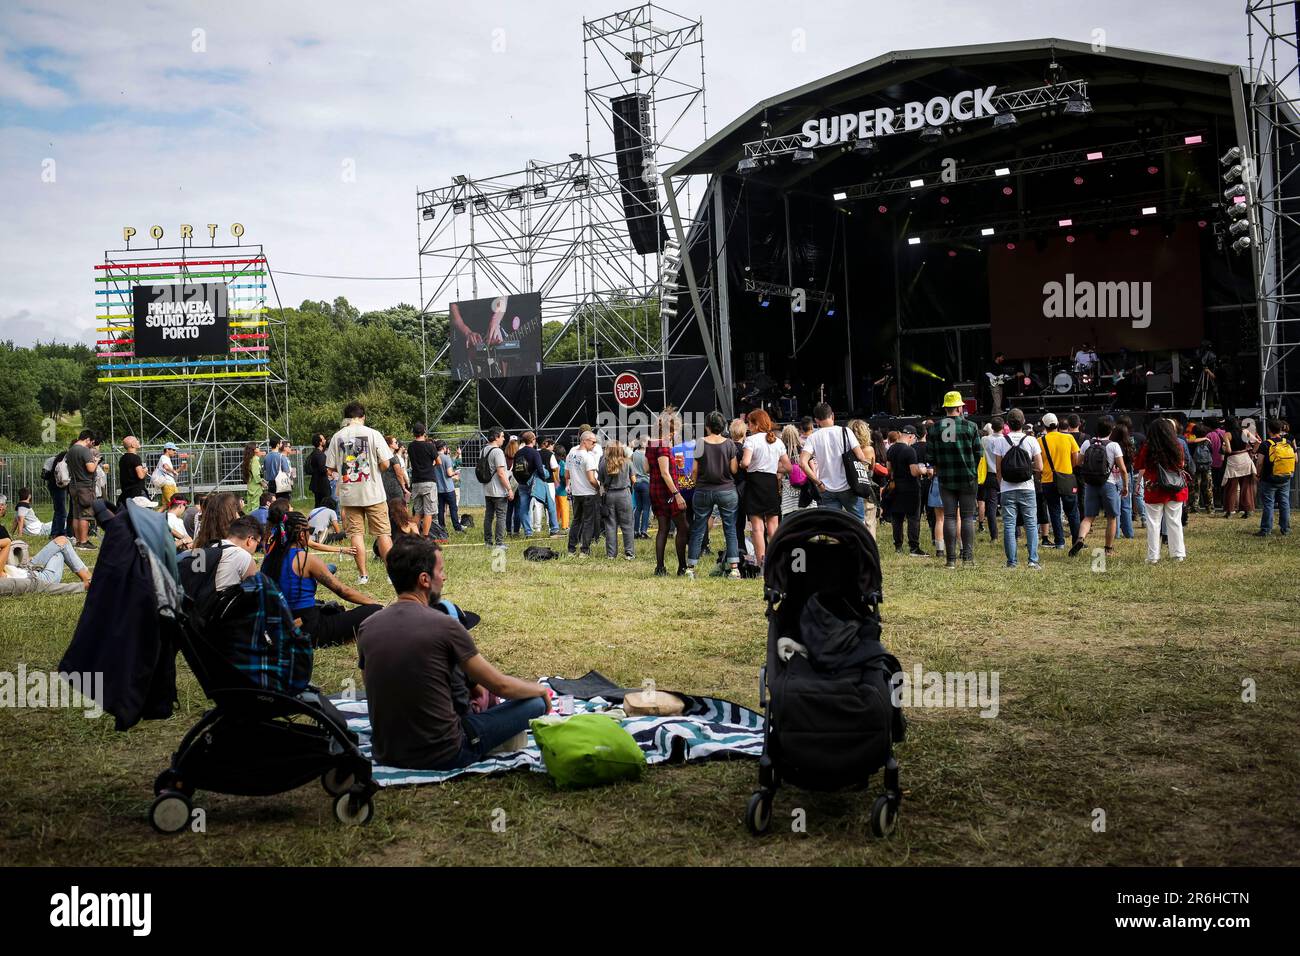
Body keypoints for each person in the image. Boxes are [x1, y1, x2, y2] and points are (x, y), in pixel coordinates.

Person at [356, 535, 551, 770]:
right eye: (441, 570)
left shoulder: (368, 626)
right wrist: (540, 690)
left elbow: (372, 690)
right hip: (446, 752)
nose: (445, 577)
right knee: (534, 703)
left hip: (386, 751)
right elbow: (501, 686)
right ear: (425, 579)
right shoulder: (445, 625)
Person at [262, 509, 382, 647]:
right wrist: (374, 603)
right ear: (302, 535)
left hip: (279, 624)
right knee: (374, 611)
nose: (310, 534)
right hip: (308, 629)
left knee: (329, 608)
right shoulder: (306, 559)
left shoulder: (268, 559)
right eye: (309, 531)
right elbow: (343, 591)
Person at [929, 391, 983, 568]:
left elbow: (930, 457)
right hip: (968, 478)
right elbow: (978, 453)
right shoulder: (971, 426)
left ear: (945, 408)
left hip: (945, 478)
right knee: (967, 517)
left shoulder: (935, 428)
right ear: (960, 408)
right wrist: (971, 468)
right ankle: (967, 558)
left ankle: (950, 560)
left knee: (950, 517)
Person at [686, 411, 740, 579]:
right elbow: (734, 469)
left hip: (703, 490)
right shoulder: (730, 444)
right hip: (727, 490)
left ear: (707, 427)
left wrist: (694, 481)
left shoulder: (700, 443)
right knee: (730, 528)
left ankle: (691, 568)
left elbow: (694, 470)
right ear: (723, 426)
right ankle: (734, 568)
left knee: (698, 528)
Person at [991, 408, 1044, 570]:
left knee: (1009, 525)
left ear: (1008, 423)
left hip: (1007, 488)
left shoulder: (1000, 441)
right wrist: (1027, 467)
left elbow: (998, 469)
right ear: (1023, 422)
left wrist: (1002, 484)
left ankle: (1011, 562)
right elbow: (1040, 466)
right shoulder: (1031, 441)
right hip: (1027, 487)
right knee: (1030, 524)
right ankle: (1033, 561)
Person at [1132, 418, 1189, 563]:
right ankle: (1178, 554)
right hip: (1174, 488)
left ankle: (1153, 556)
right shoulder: (1177, 445)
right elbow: (1182, 463)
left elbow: (1138, 464)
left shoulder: (1148, 446)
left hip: (1154, 488)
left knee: (1153, 523)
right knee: (1174, 521)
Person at [1071, 415, 1127, 559]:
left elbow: (1078, 462)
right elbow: (1122, 469)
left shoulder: (1087, 443)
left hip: (1090, 483)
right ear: (1111, 429)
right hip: (1108, 483)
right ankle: (1108, 549)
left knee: (1088, 517)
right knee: (1112, 517)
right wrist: (1125, 486)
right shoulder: (1113, 445)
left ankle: (1080, 539)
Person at [800, 403, 869, 518]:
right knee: (858, 522)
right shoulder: (846, 431)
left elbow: (802, 463)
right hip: (848, 485)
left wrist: (818, 482)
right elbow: (860, 456)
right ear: (832, 415)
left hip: (826, 488)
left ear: (816, 420)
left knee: (833, 526)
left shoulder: (812, 438)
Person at [741, 409, 791, 567]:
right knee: (773, 526)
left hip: (754, 483)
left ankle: (762, 564)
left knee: (757, 528)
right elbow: (788, 467)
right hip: (771, 483)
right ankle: (776, 562)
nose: (748, 426)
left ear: (755, 424)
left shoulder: (751, 441)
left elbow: (746, 463)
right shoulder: (777, 441)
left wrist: (741, 464)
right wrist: (774, 469)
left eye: (749, 423)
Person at [646, 410, 689, 576]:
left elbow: (646, 468)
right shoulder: (663, 446)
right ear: (670, 431)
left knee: (663, 528)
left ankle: (660, 567)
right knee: (682, 527)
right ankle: (682, 567)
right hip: (667, 492)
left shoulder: (651, 445)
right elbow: (665, 473)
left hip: (655, 490)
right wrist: (677, 494)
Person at [1038, 412, 1081, 550]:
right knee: (1072, 511)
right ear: (1057, 424)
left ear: (1044, 426)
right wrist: (1068, 467)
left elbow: (1038, 463)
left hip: (1048, 480)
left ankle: (1059, 541)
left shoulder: (1040, 441)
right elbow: (1076, 459)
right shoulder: (1068, 438)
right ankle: (1077, 539)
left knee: (1054, 511)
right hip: (1067, 477)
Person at [885, 426, 925, 556]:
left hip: (896, 486)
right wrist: (923, 470)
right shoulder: (910, 451)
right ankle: (914, 547)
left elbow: (889, 469)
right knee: (913, 518)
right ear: (911, 436)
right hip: (911, 488)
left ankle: (898, 547)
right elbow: (914, 472)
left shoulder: (891, 449)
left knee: (897, 518)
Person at [1, 533, 92, 589]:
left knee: (61, 542)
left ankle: (90, 579)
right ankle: (89, 580)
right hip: (37, 579)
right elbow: (7, 542)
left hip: (24, 568)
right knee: (61, 548)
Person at [1255, 419, 1295, 537]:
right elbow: (1295, 458)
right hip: (1285, 477)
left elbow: (1260, 463)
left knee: (1268, 503)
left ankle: (1266, 530)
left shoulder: (1266, 444)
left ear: (1269, 430)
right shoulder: (1287, 441)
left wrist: (1258, 474)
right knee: (1284, 503)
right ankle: (1285, 529)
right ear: (1281, 429)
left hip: (1269, 478)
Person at [565, 431, 601, 557]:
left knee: (576, 520)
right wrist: (598, 488)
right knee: (588, 522)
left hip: (576, 493)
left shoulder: (570, 455)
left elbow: (567, 475)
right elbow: (591, 479)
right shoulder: (588, 457)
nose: (594, 444)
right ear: (584, 441)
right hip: (589, 493)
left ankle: (571, 549)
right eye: (593, 441)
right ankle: (584, 550)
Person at [599, 439, 636, 560]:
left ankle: (611, 554)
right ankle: (629, 553)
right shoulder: (627, 462)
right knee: (627, 525)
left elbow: (602, 482)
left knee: (610, 525)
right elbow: (634, 480)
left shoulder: (603, 463)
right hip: (624, 494)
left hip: (610, 495)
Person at [66, 430, 101, 549]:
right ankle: (84, 541)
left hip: (73, 485)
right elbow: (90, 468)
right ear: (87, 439)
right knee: (85, 514)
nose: (92, 444)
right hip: (85, 486)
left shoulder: (71, 450)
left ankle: (77, 540)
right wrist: (96, 461)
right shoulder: (84, 450)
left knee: (76, 514)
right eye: (91, 441)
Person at [479, 427, 511, 548]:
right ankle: (499, 543)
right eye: (502, 436)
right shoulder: (498, 452)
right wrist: (509, 488)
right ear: (496, 437)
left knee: (489, 516)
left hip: (487, 489)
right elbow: (501, 473)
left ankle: (488, 542)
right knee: (501, 516)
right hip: (499, 490)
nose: (503, 439)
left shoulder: (483, 450)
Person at [511, 432, 547, 539]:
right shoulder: (534, 453)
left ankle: (528, 531)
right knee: (543, 503)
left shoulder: (518, 453)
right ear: (532, 440)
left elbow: (514, 470)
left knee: (523, 508)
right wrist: (544, 480)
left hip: (522, 483)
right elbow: (540, 469)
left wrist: (519, 480)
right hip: (534, 483)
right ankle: (552, 527)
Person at [1221, 416, 1257, 519]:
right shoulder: (1245, 431)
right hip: (1245, 459)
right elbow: (1257, 442)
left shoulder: (1227, 434)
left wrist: (1223, 449)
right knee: (1246, 487)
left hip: (1234, 461)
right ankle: (1247, 510)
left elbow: (1228, 450)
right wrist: (1252, 451)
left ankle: (1230, 511)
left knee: (1230, 488)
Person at [407, 423, 439, 536]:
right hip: (429, 481)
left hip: (416, 482)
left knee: (418, 512)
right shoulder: (429, 446)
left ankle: (414, 536)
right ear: (424, 432)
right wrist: (431, 466)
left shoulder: (410, 447)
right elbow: (438, 461)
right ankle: (425, 536)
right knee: (428, 512)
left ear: (413, 433)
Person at [847, 419, 878, 538]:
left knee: (855, 521)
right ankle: (871, 548)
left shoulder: (847, 450)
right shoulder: (869, 450)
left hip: (852, 487)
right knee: (870, 520)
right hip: (867, 487)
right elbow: (872, 469)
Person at [433, 439, 464, 534]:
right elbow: (449, 473)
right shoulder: (446, 458)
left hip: (439, 489)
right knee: (453, 509)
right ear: (443, 448)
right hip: (449, 488)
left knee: (441, 510)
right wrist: (456, 473)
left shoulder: (434, 458)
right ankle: (457, 528)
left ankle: (441, 528)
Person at [533, 437, 561, 537]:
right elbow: (554, 467)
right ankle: (551, 526)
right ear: (545, 443)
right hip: (549, 482)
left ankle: (537, 527)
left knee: (537, 505)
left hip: (537, 482)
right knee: (550, 505)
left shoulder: (534, 453)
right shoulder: (550, 454)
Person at [779, 424, 807, 519]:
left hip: (788, 489)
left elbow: (779, 475)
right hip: (804, 487)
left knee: (789, 519)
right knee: (807, 516)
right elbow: (812, 467)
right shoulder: (804, 448)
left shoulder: (782, 451)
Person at [117, 436, 149, 508]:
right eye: (136, 441)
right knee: (147, 512)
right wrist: (145, 470)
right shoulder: (135, 458)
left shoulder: (122, 458)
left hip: (126, 492)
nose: (138, 441)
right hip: (137, 491)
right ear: (132, 445)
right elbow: (140, 475)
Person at [151, 440, 183, 511]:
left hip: (169, 484)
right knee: (175, 504)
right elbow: (166, 467)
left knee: (165, 506)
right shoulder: (164, 457)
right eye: (174, 450)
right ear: (167, 450)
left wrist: (180, 469)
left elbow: (170, 473)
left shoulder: (166, 458)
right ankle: (172, 520)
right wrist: (174, 471)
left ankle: (156, 518)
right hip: (169, 485)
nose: (175, 452)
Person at [631, 439, 652, 540]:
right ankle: (643, 531)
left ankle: (635, 531)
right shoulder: (647, 454)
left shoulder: (634, 454)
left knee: (638, 508)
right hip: (646, 482)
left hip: (636, 482)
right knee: (646, 508)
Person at [381, 435, 410, 503]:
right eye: (395, 442)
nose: (397, 444)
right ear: (390, 445)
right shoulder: (393, 457)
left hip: (384, 487)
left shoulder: (382, 457)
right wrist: (403, 487)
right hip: (395, 487)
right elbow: (399, 473)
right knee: (399, 509)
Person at [305, 433, 331, 507]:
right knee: (324, 504)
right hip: (321, 484)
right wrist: (331, 472)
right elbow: (323, 469)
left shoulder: (316, 453)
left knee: (319, 503)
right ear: (320, 442)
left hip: (318, 484)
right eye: (323, 439)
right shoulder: (319, 454)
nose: (325, 440)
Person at [241, 442, 267, 513]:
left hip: (250, 486)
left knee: (249, 507)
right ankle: (254, 522)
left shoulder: (249, 459)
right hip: (256, 487)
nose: (259, 448)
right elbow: (256, 475)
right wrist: (262, 483)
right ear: (254, 449)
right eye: (257, 447)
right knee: (256, 507)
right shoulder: (255, 459)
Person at [554, 444, 571, 531]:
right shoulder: (563, 464)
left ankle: (555, 524)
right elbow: (565, 476)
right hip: (563, 490)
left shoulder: (554, 463)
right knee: (565, 508)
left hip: (555, 489)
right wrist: (568, 485)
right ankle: (565, 525)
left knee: (557, 509)